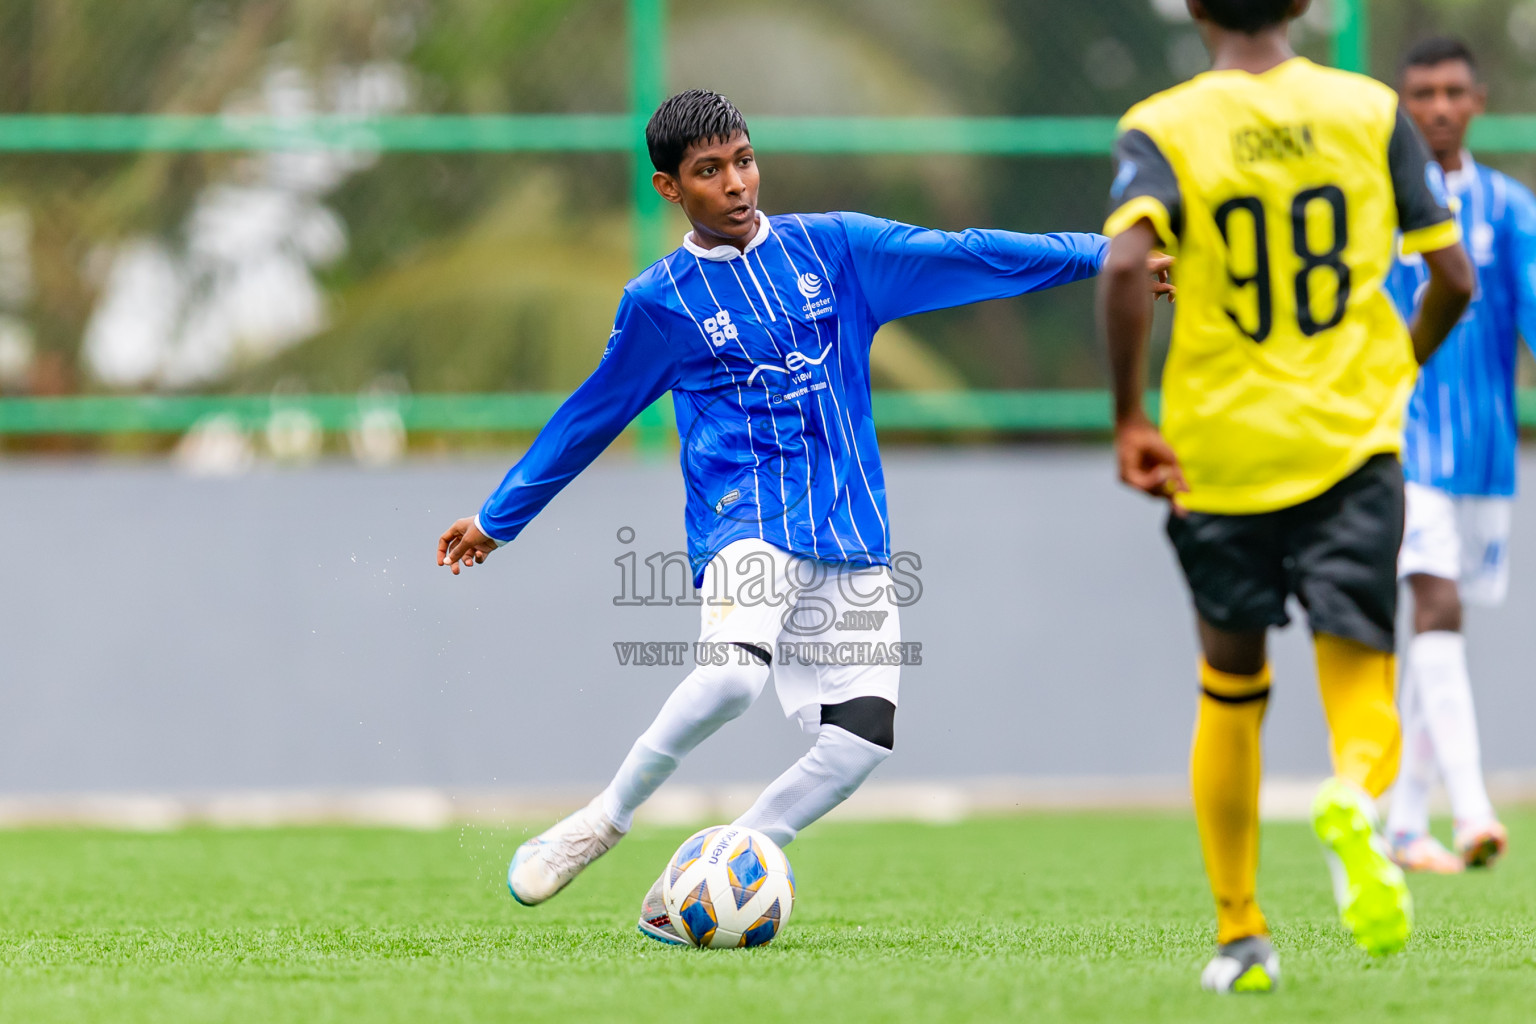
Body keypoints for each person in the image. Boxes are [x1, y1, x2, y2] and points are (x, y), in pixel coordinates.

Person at [435, 89, 1172, 944]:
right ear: (670, 189)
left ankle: (722, 869)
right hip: (745, 518)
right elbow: (589, 416)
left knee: (859, 744)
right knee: (730, 677)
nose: (736, 183)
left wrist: (1100, 254)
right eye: (709, 172)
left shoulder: (837, 249)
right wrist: (499, 517)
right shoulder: (659, 304)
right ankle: (602, 821)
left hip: (852, 533)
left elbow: (972, 253)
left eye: (743, 160)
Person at [1097, 0, 1472, 994]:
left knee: (1230, 679)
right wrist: (1397, 368)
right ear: (1305, 5)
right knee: (1360, 662)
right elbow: (1454, 278)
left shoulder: (1163, 124)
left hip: (1219, 450)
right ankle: (1353, 790)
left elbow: (1127, 264)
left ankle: (1241, 934)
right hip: (1350, 439)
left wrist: (1132, 416)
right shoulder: (1370, 108)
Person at [1383, 37, 1530, 875]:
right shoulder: (1375, 206)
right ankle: (1472, 809)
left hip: (1486, 456)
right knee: (1436, 607)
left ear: (1476, 102)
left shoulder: (1511, 209)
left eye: (1452, 93)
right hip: (1404, 447)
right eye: (1422, 94)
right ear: (1403, 107)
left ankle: (1405, 823)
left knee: (1441, 630)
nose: (1437, 108)